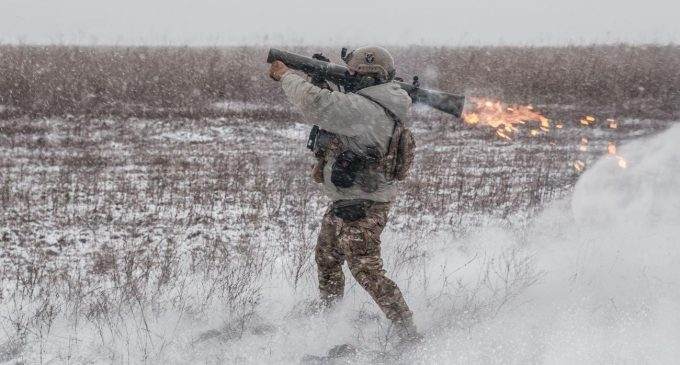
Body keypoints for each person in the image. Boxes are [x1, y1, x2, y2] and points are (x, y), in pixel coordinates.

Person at [268, 46, 422, 345]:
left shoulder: (364, 108)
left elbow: (319, 105)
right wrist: (320, 78)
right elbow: (335, 107)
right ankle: (332, 317)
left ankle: (407, 331)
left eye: (353, 73)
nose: (348, 76)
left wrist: (286, 75)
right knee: (326, 258)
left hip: (364, 204)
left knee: (366, 270)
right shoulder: (377, 100)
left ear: (368, 78)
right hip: (349, 198)